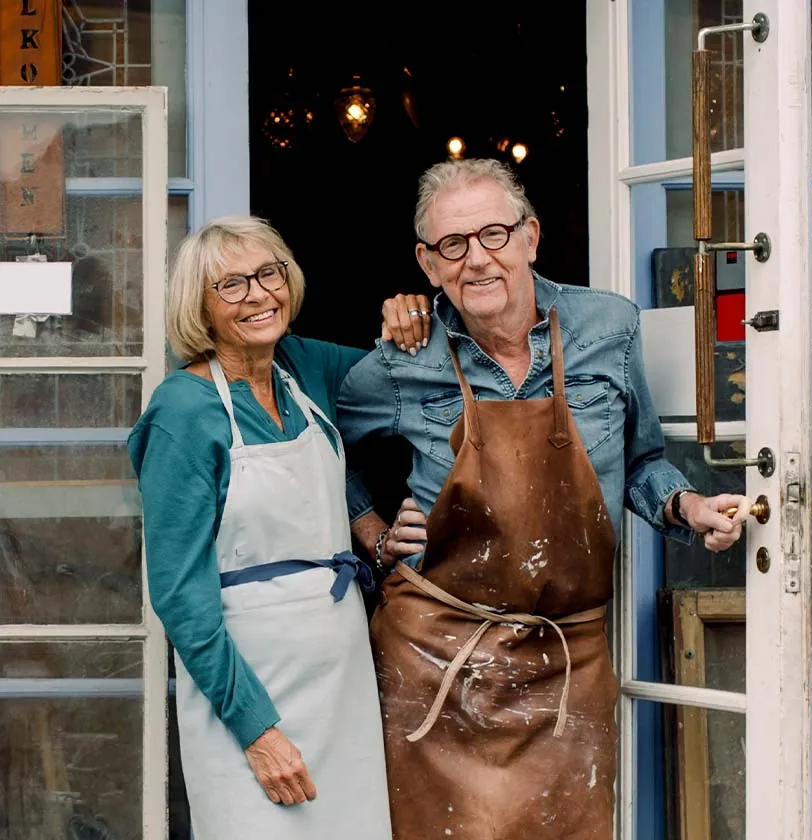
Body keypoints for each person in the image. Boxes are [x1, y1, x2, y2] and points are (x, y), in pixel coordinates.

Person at [339, 159, 752, 840]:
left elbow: (642, 457)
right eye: (453, 244)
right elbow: (317, 434)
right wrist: (372, 528)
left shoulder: (608, 327)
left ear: (530, 236)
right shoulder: (401, 360)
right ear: (428, 262)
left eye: (494, 234)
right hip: (434, 658)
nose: (477, 259)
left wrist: (687, 507)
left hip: (568, 658)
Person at [127, 216, 429, 839]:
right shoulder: (181, 412)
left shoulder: (303, 367)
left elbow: (416, 373)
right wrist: (257, 732)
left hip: (342, 683)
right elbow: (180, 597)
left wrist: (412, 316)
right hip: (249, 694)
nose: (259, 295)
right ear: (200, 307)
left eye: (269, 274)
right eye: (231, 285)